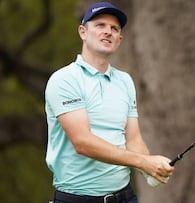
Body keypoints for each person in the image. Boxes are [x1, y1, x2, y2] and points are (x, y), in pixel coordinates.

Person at [45, 2, 174, 203]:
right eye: (100, 25)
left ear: (119, 39)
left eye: (114, 29)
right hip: (77, 199)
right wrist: (144, 162)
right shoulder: (64, 80)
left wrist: (148, 169)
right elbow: (83, 143)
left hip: (124, 196)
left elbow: (133, 139)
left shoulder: (125, 81)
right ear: (83, 32)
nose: (108, 32)